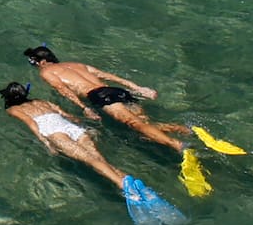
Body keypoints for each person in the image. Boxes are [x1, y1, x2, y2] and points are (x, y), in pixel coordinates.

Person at [0, 82, 188, 225]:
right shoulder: (42, 102)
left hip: (53, 131)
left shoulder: (12, 109)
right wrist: (87, 126)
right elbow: (67, 116)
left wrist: (46, 143)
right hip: (71, 127)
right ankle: (128, 180)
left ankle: (123, 185)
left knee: (91, 162)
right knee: (100, 160)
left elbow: (32, 124)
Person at [23, 45, 191, 155]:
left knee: (136, 125)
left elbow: (63, 90)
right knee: (144, 127)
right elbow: (106, 75)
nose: (35, 65)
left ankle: (177, 145)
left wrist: (83, 108)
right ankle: (184, 129)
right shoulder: (76, 64)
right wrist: (137, 88)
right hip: (116, 91)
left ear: (43, 61)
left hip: (100, 96)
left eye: (34, 62)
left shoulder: (46, 72)